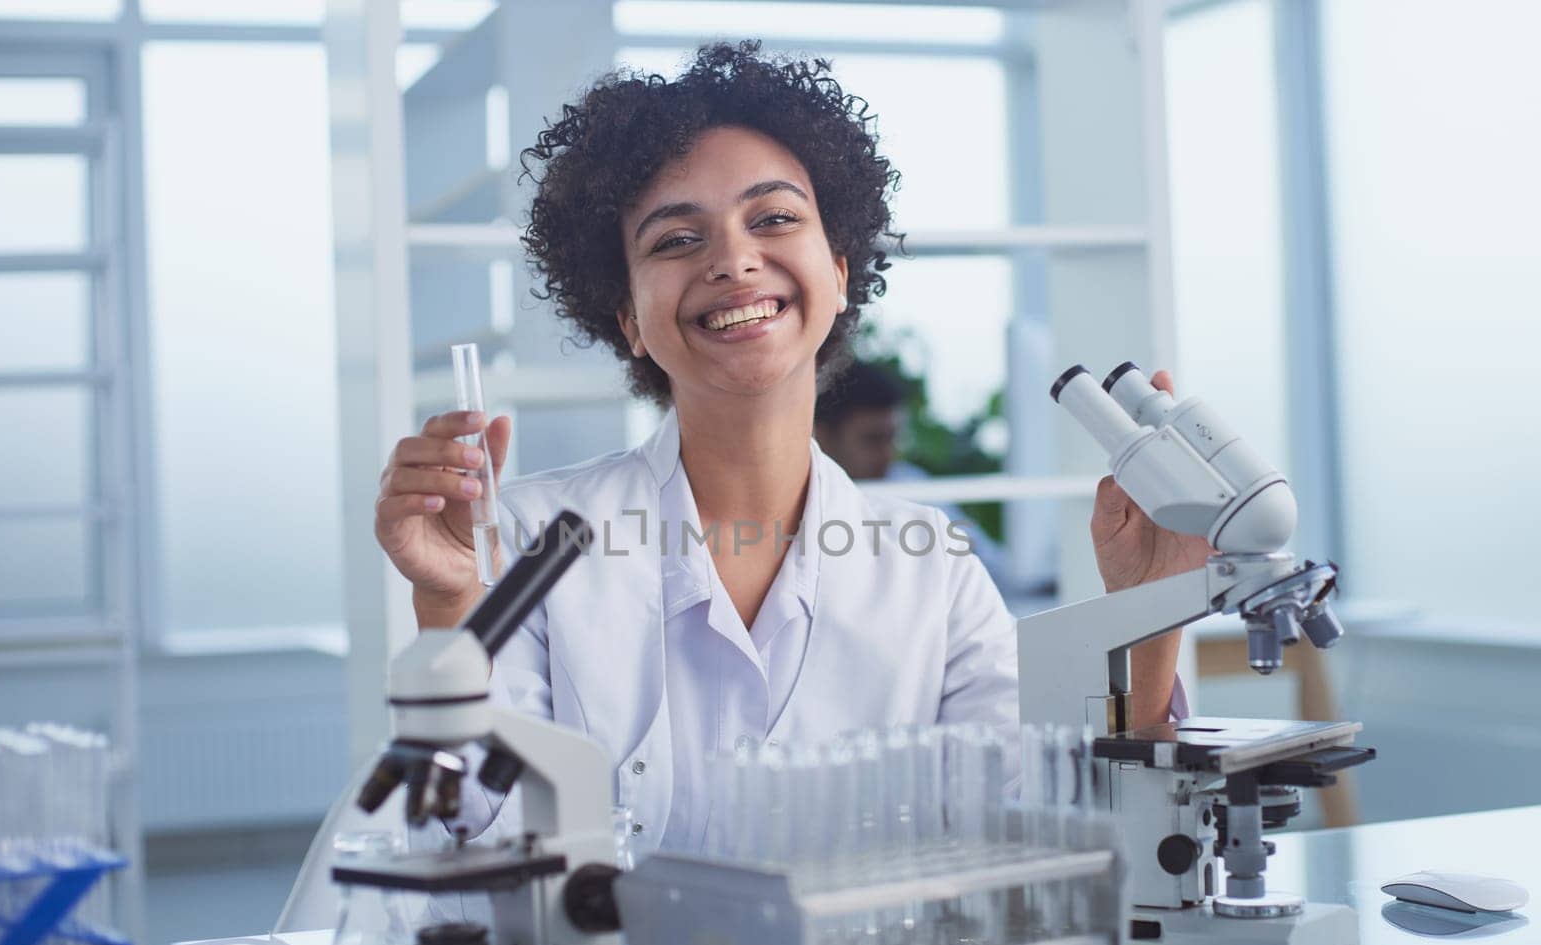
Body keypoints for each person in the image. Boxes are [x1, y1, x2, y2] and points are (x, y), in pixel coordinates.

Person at [374, 43, 1205, 851]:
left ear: (839, 273)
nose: (735, 260)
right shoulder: (523, 540)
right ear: (627, 317)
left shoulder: (931, 567)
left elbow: (1046, 826)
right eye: (675, 239)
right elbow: (471, 824)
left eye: (773, 218)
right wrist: (447, 608)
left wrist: (1151, 613)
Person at [812, 359, 1015, 595]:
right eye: (873, 439)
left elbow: (988, 565)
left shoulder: (910, 487)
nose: (889, 453)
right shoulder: (806, 501)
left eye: (893, 438)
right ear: (823, 436)